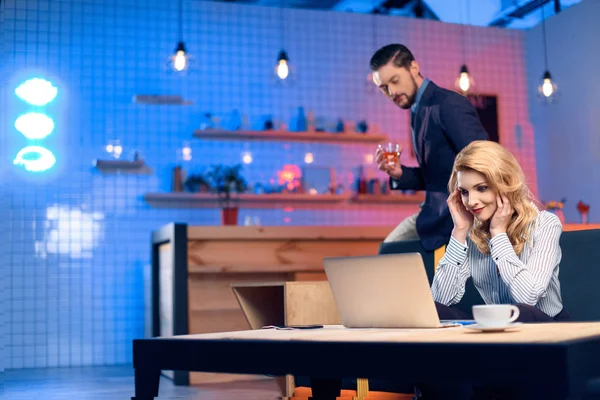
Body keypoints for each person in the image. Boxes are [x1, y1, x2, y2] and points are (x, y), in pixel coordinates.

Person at [432, 140, 570, 324]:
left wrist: (498, 233)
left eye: (482, 188)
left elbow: (527, 298)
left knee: (520, 312)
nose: (472, 201)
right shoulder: (473, 233)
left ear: (505, 184)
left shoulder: (545, 224)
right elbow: (440, 300)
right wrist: (460, 231)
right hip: (498, 327)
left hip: (545, 326)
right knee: (434, 310)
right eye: (464, 192)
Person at [371, 44, 489, 249]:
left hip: (456, 218)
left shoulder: (447, 104)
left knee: (389, 251)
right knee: (388, 250)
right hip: (435, 215)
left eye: (395, 81)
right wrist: (399, 173)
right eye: (384, 88)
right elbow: (438, 177)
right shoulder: (418, 109)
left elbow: (486, 161)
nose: (392, 92)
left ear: (414, 68)